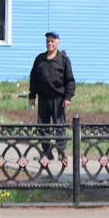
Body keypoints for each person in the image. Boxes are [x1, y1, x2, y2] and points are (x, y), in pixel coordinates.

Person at [28, 31, 76, 160]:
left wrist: (68, 97)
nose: (49, 43)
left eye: (52, 41)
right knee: (42, 126)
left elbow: (70, 80)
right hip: (43, 98)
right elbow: (33, 78)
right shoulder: (39, 59)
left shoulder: (63, 60)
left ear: (57, 43)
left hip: (58, 99)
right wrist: (32, 95)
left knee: (59, 125)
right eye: (47, 41)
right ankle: (47, 152)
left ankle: (62, 152)